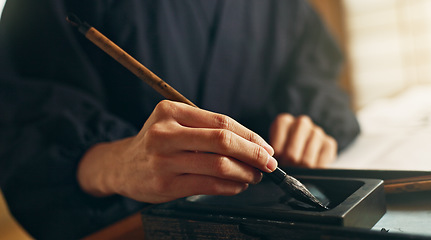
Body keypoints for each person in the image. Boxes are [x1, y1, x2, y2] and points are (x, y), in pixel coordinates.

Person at [0, 0, 360, 239]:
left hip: (273, 215)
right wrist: (116, 164)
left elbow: (315, 76)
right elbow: (27, 125)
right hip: (133, 226)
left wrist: (307, 124)